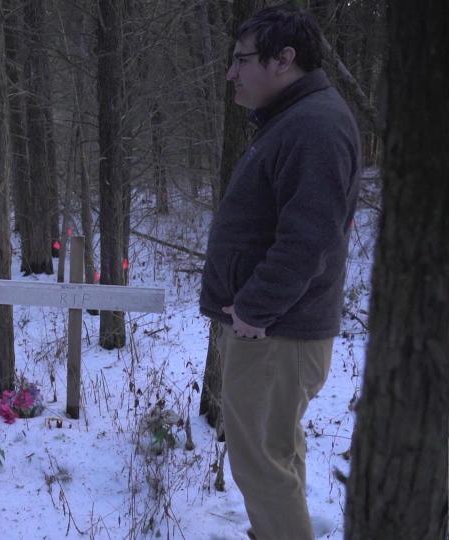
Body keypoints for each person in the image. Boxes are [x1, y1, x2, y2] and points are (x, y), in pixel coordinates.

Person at [199, 5, 361, 539]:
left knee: (260, 461)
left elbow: (308, 238)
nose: (231, 73)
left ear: (284, 59)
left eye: (241, 60)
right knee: (274, 451)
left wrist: (254, 307)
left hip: (276, 331)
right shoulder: (296, 120)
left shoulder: (315, 125)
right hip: (274, 329)